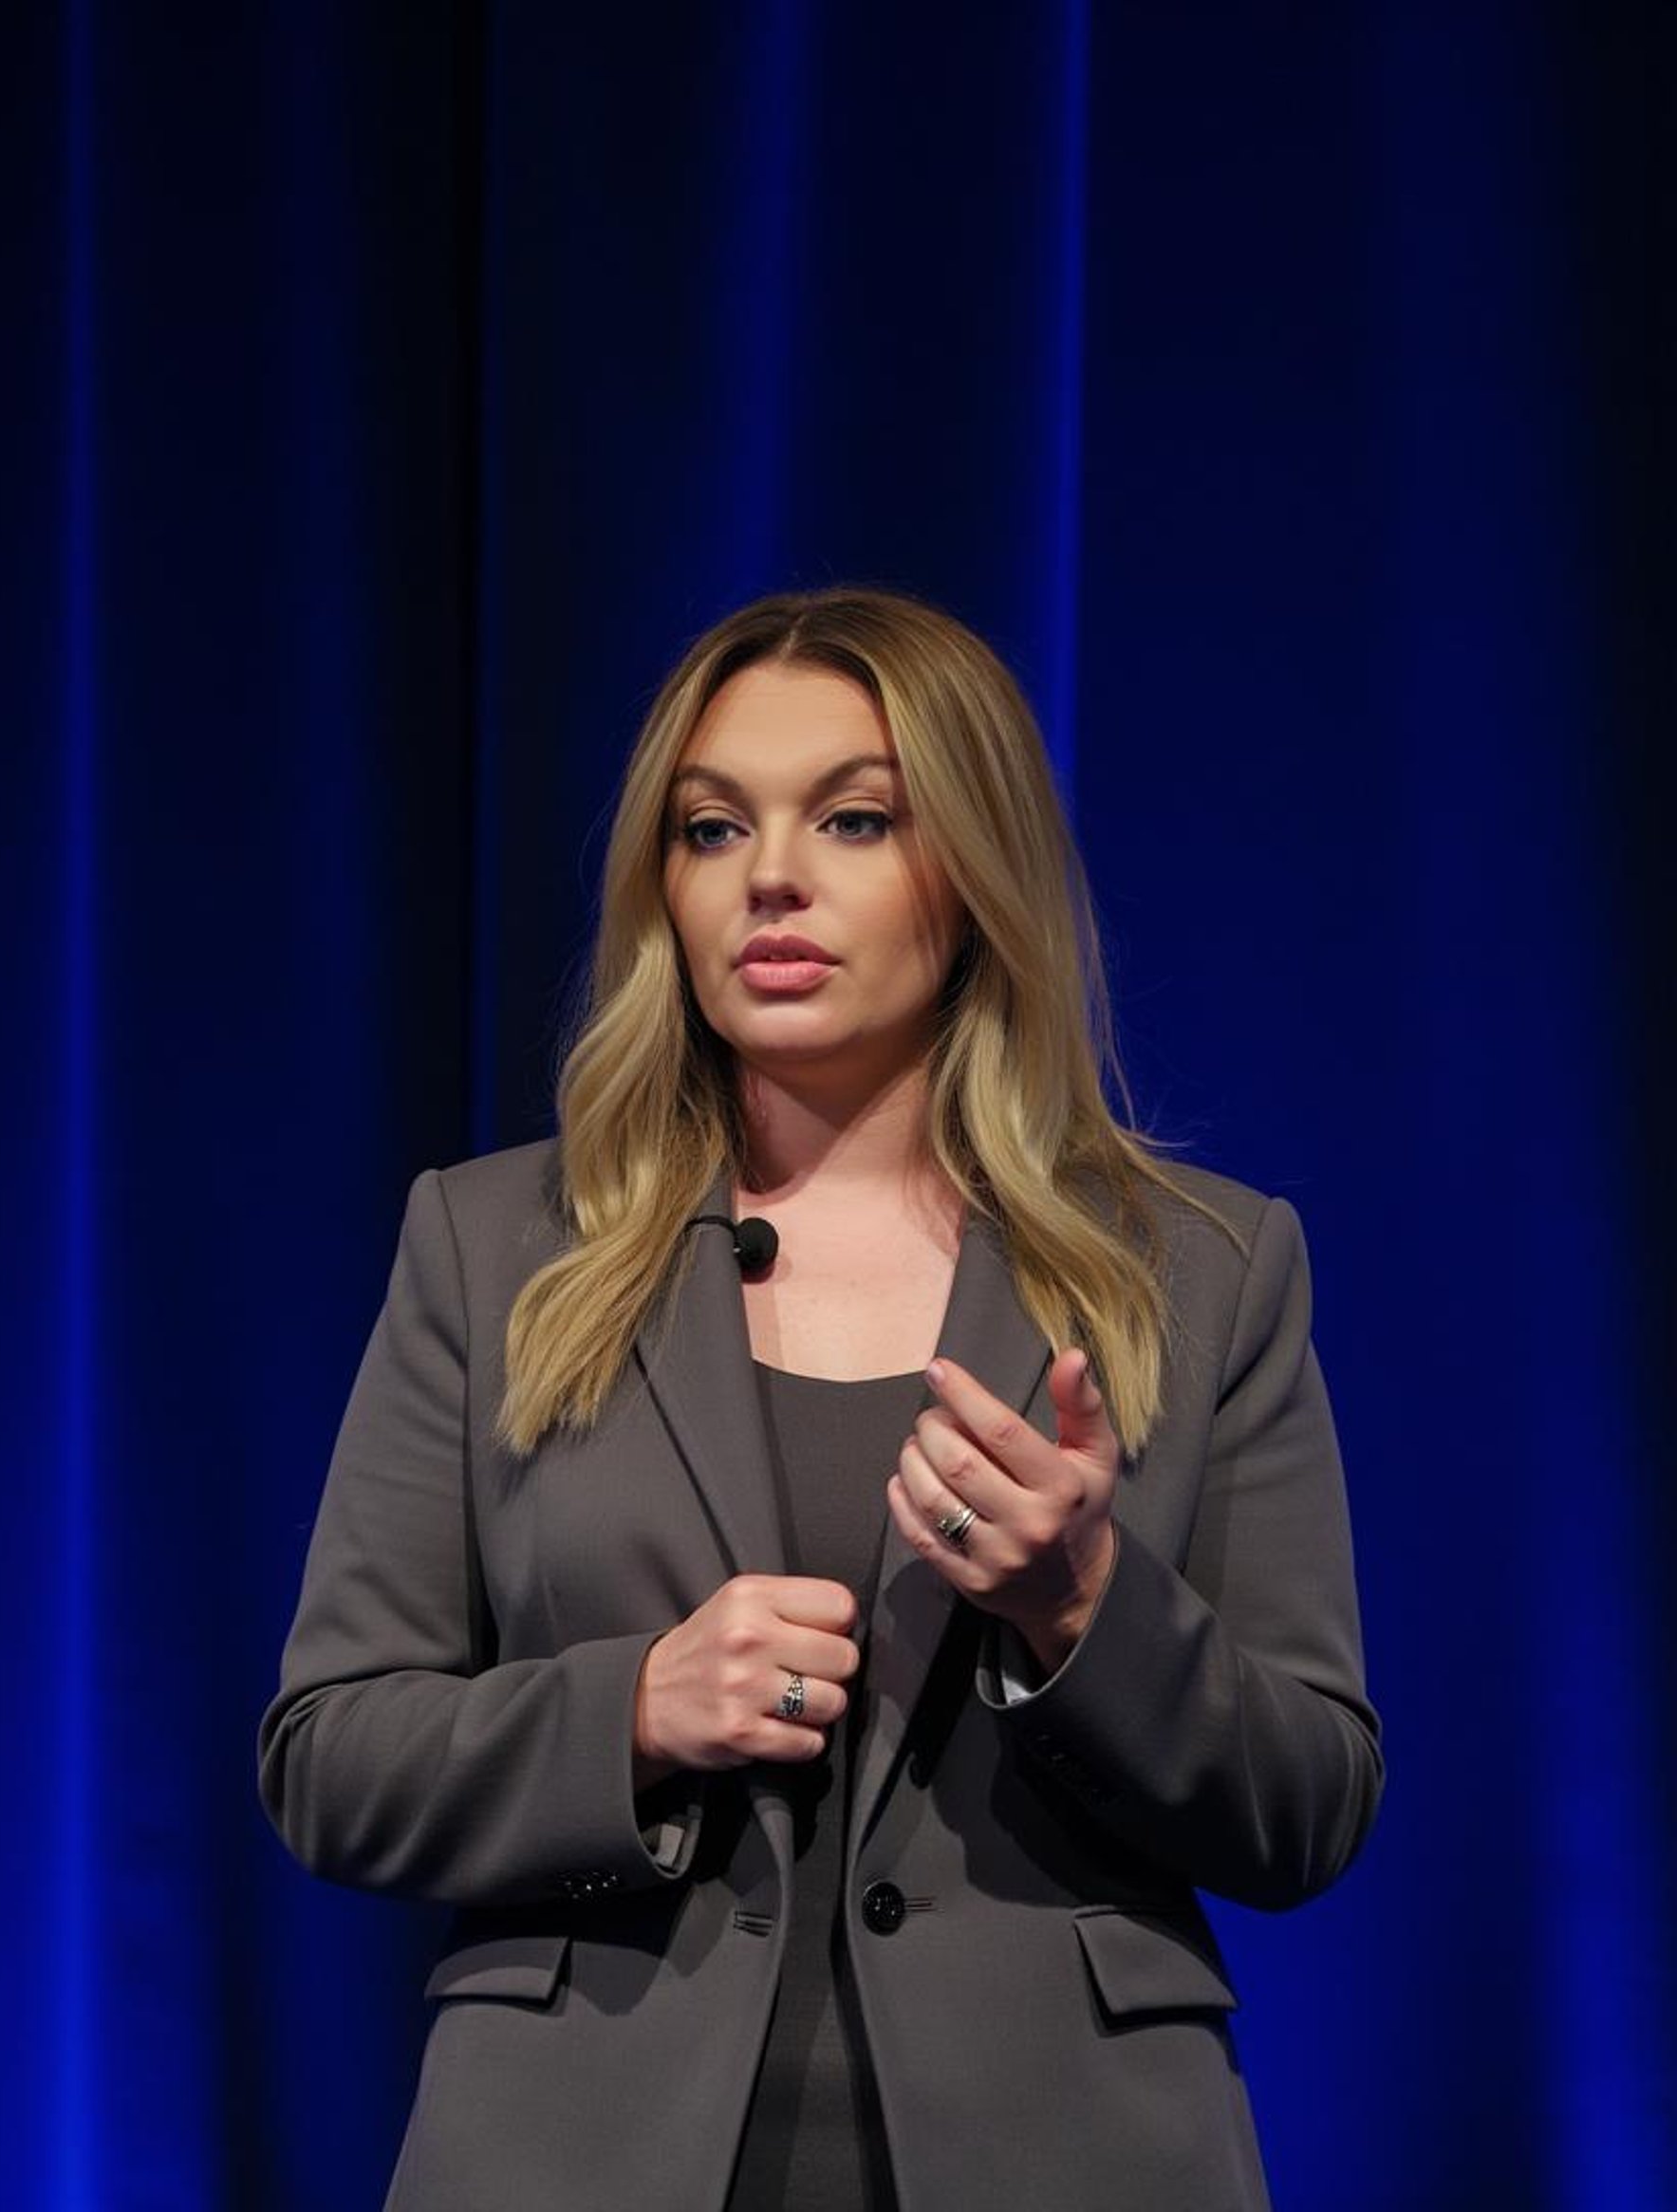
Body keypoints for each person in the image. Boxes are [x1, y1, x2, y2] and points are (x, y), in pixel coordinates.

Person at [258, 586, 1383, 2212]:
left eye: (854, 818)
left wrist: (1088, 1612)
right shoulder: (494, 1245)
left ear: (974, 869)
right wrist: (629, 1710)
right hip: (576, 2158)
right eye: (712, 829)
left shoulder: (1205, 1269)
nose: (770, 875)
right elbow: (330, 1757)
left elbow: (1312, 1806)